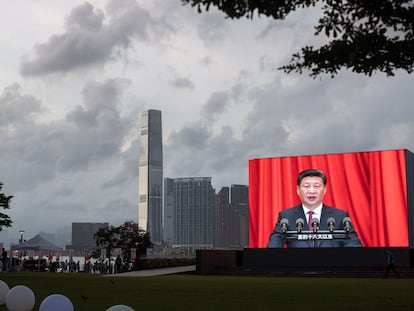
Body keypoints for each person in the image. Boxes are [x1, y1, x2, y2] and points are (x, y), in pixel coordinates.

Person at [267, 168, 362, 248]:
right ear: (298, 190)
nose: (312, 191)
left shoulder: (340, 216)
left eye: (316, 186)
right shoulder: (286, 216)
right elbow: (273, 246)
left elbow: (354, 246)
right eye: (306, 186)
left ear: (324, 190)